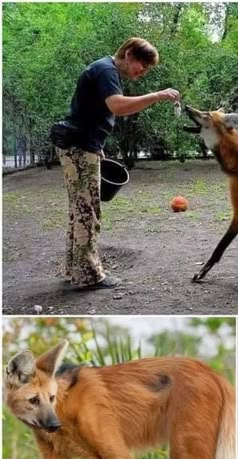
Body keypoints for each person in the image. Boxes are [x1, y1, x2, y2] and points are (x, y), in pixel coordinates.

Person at [53, 37, 180, 289]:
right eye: (142, 65)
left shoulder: (103, 70)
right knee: (87, 211)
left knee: (79, 210)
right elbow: (117, 106)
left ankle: (73, 269)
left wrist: (97, 146)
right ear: (129, 54)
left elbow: (92, 112)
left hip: (81, 145)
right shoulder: (107, 70)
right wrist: (158, 95)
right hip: (78, 147)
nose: (142, 71)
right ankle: (89, 276)